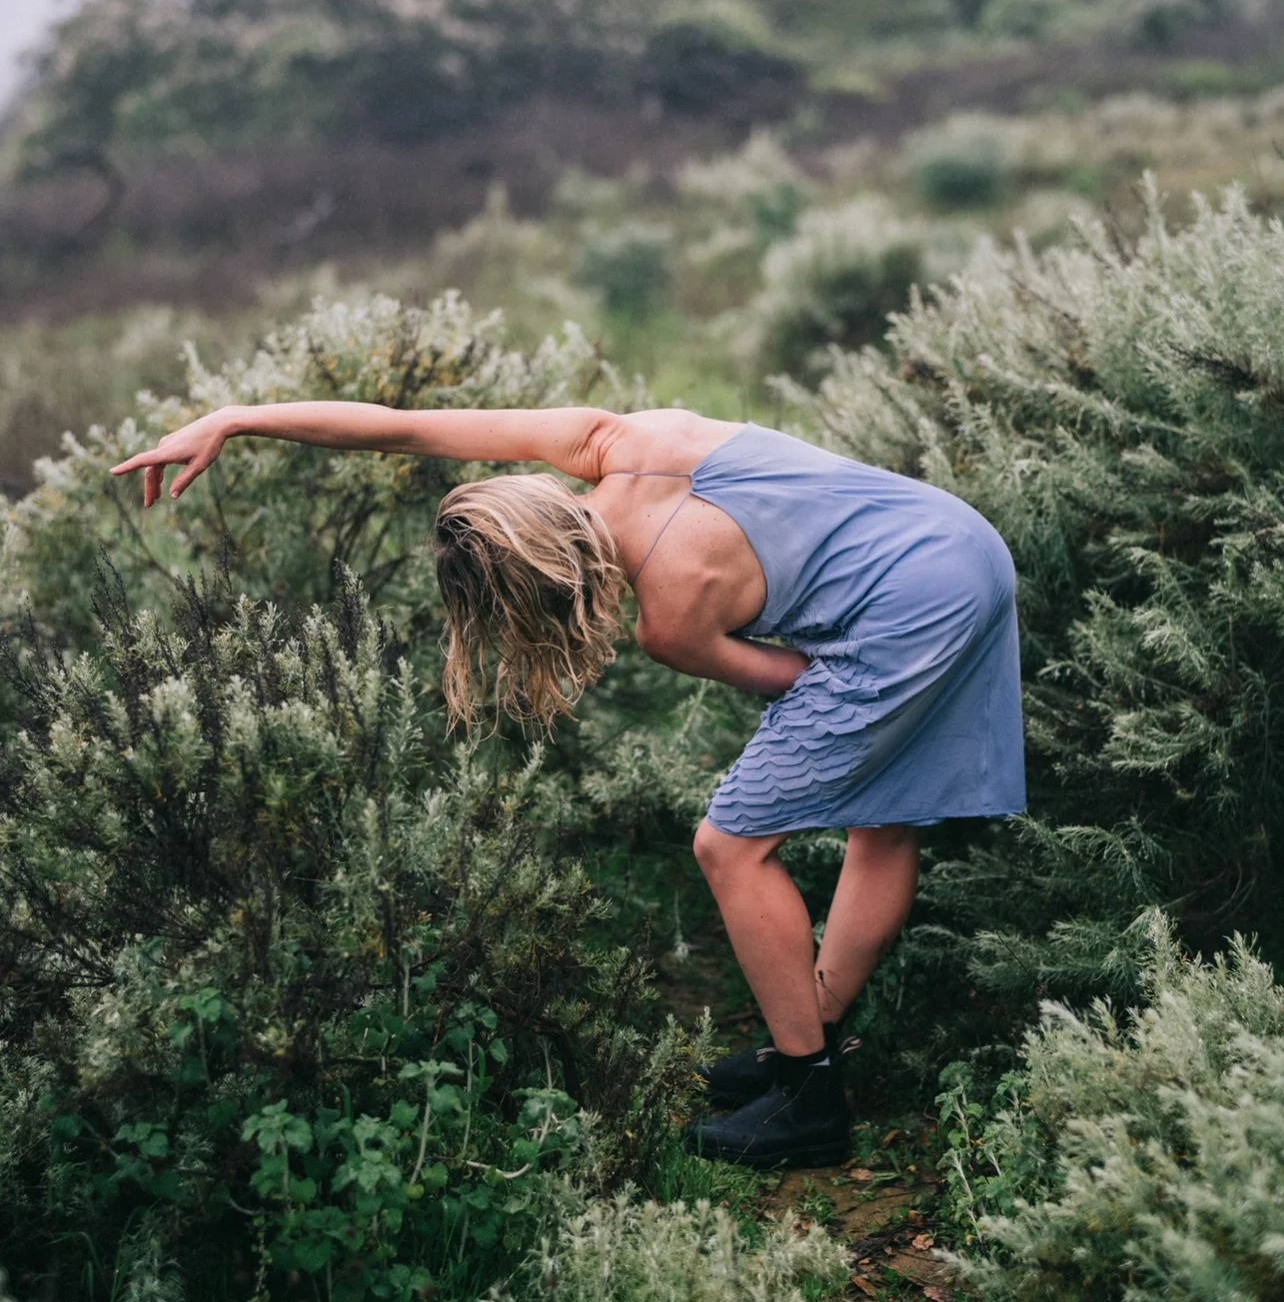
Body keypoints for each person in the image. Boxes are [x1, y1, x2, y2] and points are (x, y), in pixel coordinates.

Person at [111, 402, 1025, 1168]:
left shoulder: (671, 610)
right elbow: (413, 427)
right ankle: (810, 1037)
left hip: (916, 605)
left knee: (731, 844)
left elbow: (805, 686)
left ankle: (810, 1107)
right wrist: (240, 419)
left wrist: (887, 684)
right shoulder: (614, 440)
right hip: (956, 540)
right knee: (886, 823)